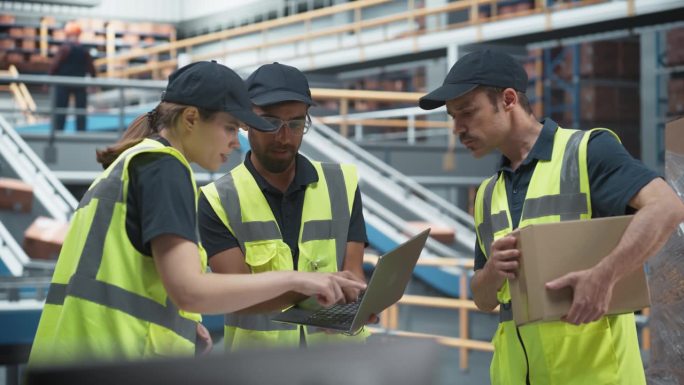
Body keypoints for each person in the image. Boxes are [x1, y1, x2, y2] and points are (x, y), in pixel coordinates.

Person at [28, 61, 365, 366]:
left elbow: (133, 274)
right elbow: (190, 289)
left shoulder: (134, 163)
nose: (236, 142)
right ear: (191, 119)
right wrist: (298, 278)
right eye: (231, 127)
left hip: (75, 355)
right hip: (111, 357)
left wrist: (183, 320)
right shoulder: (165, 169)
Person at [418, 49, 684, 385]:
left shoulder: (586, 152)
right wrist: (491, 273)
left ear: (509, 99)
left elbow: (667, 208)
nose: (457, 128)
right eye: (452, 117)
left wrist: (604, 276)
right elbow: (484, 300)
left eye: (467, 112)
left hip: (593, 375)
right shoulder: (487, 194)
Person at [198, 62, 371, 350]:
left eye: (295, 124)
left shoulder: (342, 183)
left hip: (337, 360)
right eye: (270, 121)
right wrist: (317, 291)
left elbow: (353, 272)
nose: (284, 136)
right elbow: (235, 295)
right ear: (246, 121)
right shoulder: (218, 199)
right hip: (260, 368)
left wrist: (357, 299)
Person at [49, 21, 96, 132]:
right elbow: (91, 68)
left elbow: (54, 65)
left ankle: (58, 131)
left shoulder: (65, 49)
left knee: (61, 110)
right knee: (80, 111)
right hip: (78, 83)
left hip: (64, 83)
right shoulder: (83, 50)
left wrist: (48, 80)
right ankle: (80, 132)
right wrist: (94, 81)